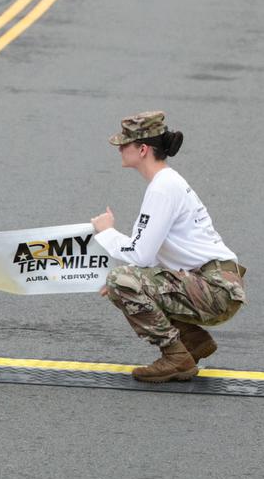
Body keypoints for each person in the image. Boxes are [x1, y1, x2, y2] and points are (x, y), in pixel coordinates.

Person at [90, 111, 246, 383]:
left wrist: (107, 232)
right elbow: (148, 255)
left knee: (121, 280)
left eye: (124, 144)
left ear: (142, 149)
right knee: (125, 280)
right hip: (214, 284)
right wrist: (129, 281)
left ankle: (176, 357)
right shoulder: (166, 183)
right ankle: (192, 342)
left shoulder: (162, 188)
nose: (119, 148)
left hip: (215, 288)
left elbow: (141, 254)